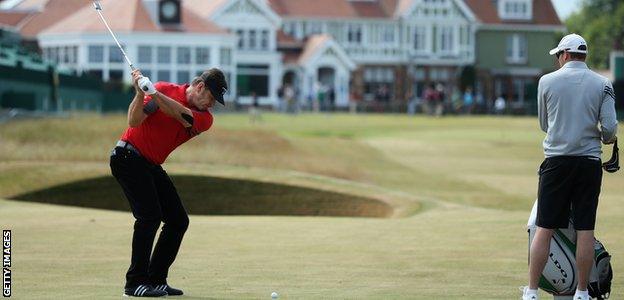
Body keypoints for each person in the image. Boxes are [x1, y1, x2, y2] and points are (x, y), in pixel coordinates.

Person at [110, 68, 227, 297]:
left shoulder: (204, 119)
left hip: (150, 164)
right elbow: (134, 122)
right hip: (127, 157)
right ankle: (134, 283)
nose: (211, 104)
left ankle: (156, 280)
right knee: (149, 217)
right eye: (212, 97)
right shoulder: (164, 90)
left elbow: (178, 113)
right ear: (200, 86)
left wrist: (153, 93)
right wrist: (138, 93)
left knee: (178, 220)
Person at [523, 33, 618, 300]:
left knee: (545, 227)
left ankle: (531, 292)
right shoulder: (603, 83)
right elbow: (610, 129)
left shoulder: (547, 81)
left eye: (558, 56)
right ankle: (582, 292)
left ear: (565, 55)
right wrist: (601, 136)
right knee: (586, 229)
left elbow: (545, 124)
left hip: (556, 163)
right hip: (588, 163)